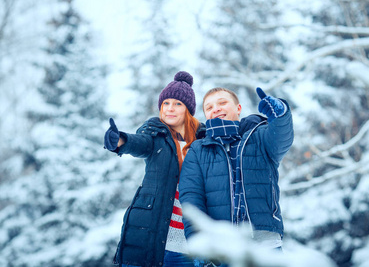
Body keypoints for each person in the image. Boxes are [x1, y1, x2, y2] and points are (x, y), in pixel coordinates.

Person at [179, 87, 294, 262]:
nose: (215, 109)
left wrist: (281, 115)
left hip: (265, 244)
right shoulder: (198, 150)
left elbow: (282, 136)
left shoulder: (260, 136)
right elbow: (192, 198)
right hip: (221, 247)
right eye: (209, 107)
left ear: (238, 108)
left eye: (222, 103)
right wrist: (198, 242)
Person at [104, 71, 205, 267]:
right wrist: (120, 140)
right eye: (166, 103)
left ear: (188, 110)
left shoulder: (202, 140)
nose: (170, 108)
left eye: (177, 104)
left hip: (188, 243)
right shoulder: (156, 134)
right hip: (150, 232)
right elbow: (139, 143)